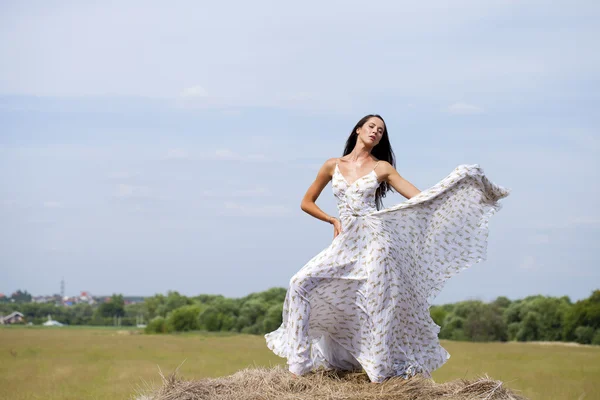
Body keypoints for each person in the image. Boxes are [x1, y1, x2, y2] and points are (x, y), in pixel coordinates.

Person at [264, 114, 511, 383]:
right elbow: (306, 202)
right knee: (300, 282)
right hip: (346, 241)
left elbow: (419, 198)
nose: (376, 132)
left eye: (381, 131)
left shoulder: (382, 167)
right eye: (371, 126)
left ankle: (379, 375)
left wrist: (457, 182)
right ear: (358, 129)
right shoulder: (332, 165)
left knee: (377, 305)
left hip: (376, 242)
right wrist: (332, 219)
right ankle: (298, 366)